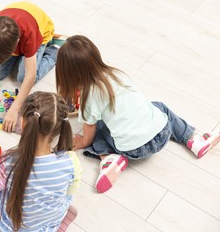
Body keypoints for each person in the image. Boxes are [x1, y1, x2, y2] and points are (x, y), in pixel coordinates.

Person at [55, 35, 220, 194]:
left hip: (133, 149)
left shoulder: (88, 98)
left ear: (68, 74)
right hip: (162, 132)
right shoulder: (117, 74)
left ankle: (108, 158)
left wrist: (83, 141)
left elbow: (89, 126)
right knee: (160, 106)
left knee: (96, 127)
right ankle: (192, 139)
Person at [0, 91, 82, 231]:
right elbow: (69, 193)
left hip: (20, 223)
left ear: (23, 123)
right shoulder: (71, 160)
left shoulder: (9, 161)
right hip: (53, 217)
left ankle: (5, 225)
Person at [0, 1, 66, 132]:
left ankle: (55, 49)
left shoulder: (29, 35)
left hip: (41, 32)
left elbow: (30, 76)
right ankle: (21, 57)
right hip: (15, 29)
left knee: (22, 77)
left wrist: (15, 108)